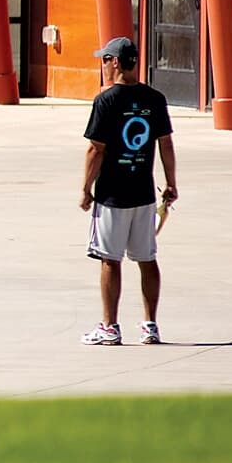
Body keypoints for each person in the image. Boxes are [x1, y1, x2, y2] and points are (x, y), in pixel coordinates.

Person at [79, 35, 176, 346]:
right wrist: (171, 183)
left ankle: (110, 327)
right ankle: (150, 325)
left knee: (110, 258)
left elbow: (96, 150)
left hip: (112, 196)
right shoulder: (154, 99)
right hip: (144, 195)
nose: (104, 65)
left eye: (105, 59)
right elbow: (165, 142)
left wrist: (85, 188)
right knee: (147, 258)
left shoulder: (105, 101)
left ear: (116, 62)